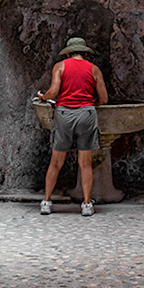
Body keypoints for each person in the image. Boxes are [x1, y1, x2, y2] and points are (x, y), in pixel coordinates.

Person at [34, 37, 109, 216]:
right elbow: (104, 99)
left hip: (64, 114)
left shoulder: (60, 66)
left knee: (56, 162)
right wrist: (90, 105)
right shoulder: (94, 69)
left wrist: (43, 97)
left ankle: (46, 202)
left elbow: (53, 92)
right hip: (86, 114)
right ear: (85, 53)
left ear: (67, 53)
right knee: (85, 163)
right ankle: (86, 205)